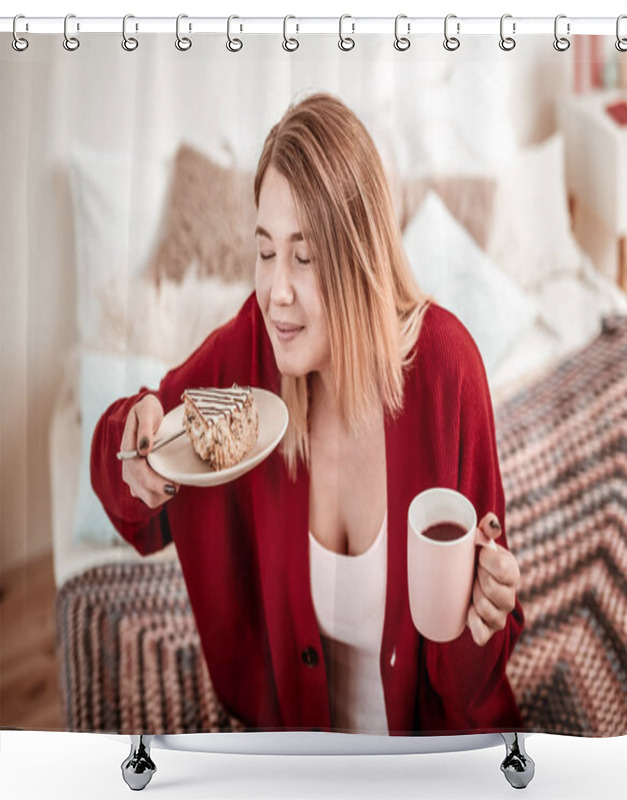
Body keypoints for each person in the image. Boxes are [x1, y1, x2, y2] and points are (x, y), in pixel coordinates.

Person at [91, 92, 525, 736]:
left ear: (359, 256)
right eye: (265, 252)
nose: (276, 291)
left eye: (305, 255)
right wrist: (132, 434)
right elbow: (134, 497)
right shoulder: (251, 355)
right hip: (300, 757)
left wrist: (481, 620)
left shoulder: (446, 371)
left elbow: (468, 683)